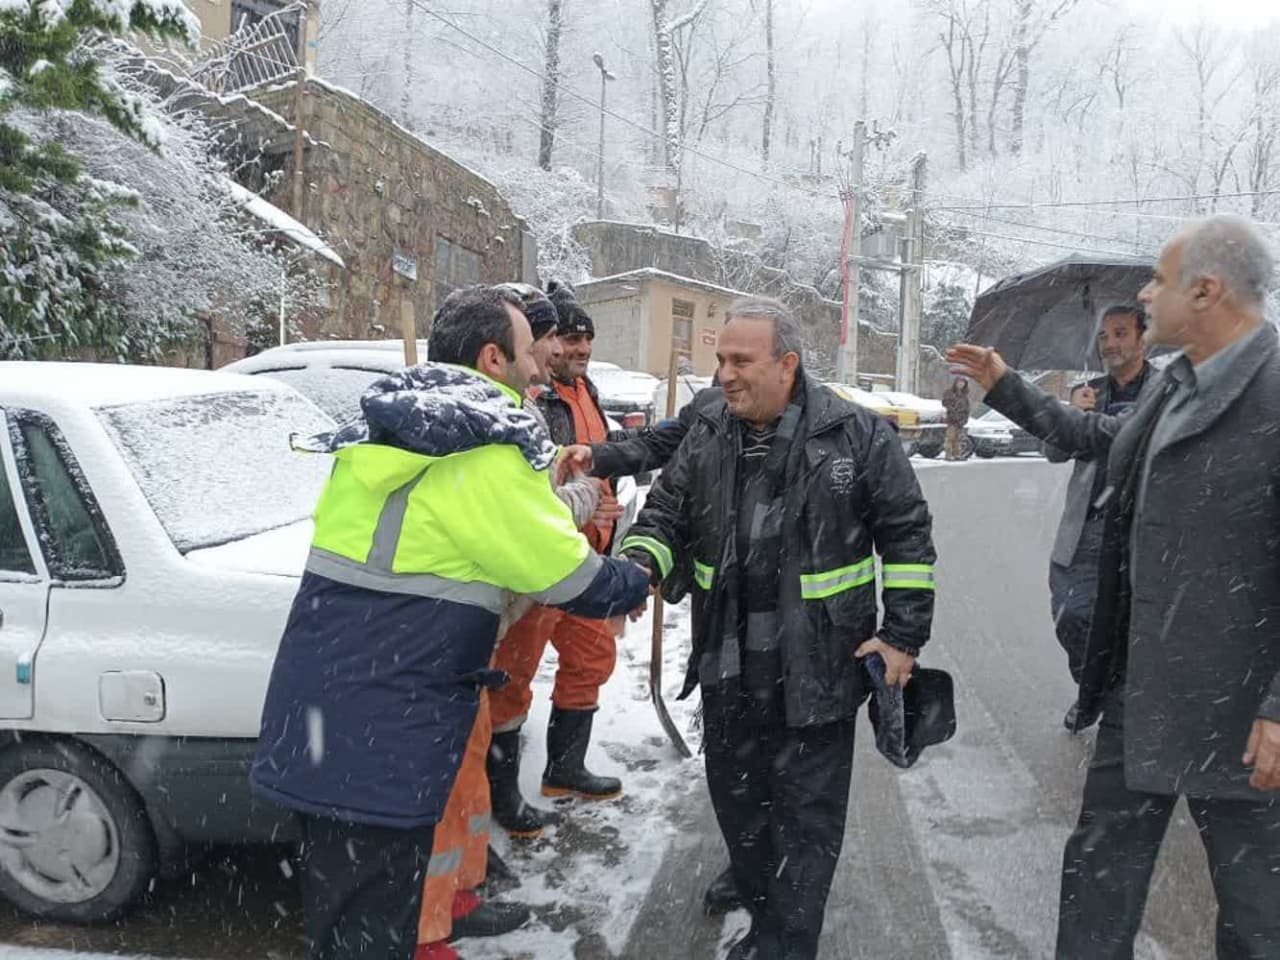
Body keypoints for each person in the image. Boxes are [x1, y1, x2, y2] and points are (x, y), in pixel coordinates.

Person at [250, 285, 651, 960]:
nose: (537, 367)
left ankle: (427, 924)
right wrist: (635, 579)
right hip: (385, 710)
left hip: (342, 702)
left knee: (359, 896)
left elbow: (492, 524)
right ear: (492, 358)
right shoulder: (478, 452)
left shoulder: (399, 430)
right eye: (527, 352)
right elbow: (563, 574)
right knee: (369, 918)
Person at [947, 214, 1280, 959]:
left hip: (1241, 707)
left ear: (1208, 289)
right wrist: (1007, 387)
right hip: (1143, 687)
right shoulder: (1177, 390)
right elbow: (1095, 441)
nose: (1145, 296)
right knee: (1097, 881)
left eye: (1160, 281)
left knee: (1258, 915)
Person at [619, 296, 937, 960]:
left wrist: (903, 635)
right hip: (727, 664)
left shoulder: (856, 436)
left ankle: (787, 942)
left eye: (741, 360)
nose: (725, 374)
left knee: (808, 819)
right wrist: (640, 562)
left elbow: (907, 537)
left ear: (787, 364)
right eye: (720, 360)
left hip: (819, 668)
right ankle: (762, 893)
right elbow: (665, 512)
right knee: (740, 808)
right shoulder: (707, 427)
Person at [413, 283, 595, 960]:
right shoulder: (475, 437)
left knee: (464, 784)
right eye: (534, 342)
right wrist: (613, 567)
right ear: (495, 357)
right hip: (434, 649)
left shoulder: (493, 423)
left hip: (463, 641)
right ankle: (431, 931)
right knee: (441, 794)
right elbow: (536, 537)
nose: (546, 354)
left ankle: (459, 898)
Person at [488, 281, 630, 827]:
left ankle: (565, 765)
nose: (579, 350)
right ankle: (499, 796)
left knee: (590, 658)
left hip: (589, 558)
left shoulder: (587, 391)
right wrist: (581, 503)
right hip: (547, 561)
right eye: (568, 339)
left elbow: (600, 461)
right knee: (514, 674)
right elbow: (539, 490)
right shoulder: (533, 400)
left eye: (586, 340)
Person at [1046, 305, 1151, 731]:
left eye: (1121, 333)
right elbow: (1052, 452)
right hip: (1088, 526)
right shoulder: (1086, 392)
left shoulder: (1166, 390)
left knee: (1134, 629)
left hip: (1142, 528)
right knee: (1070, 617)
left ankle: (1118, 707)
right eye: (1104, 336)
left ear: (1144, 339)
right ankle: (1092, 689)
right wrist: (1072, 414)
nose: (1109, 343)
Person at [941, 376, 971, 460]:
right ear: (955, 383)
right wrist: (953, 413)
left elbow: (967, 408)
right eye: (959, 382)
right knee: (950, 438)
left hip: (961, 420)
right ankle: (949, 454)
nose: (960, 384)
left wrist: (965, 418)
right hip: (952, 419)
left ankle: (957, 454)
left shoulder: (964, 395)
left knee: (958, 438)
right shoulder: (950, 392)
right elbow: (946, 403)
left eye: (962, 383)